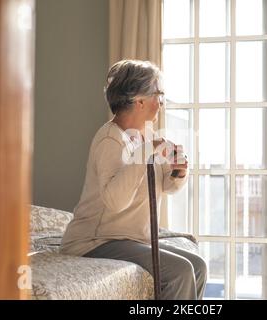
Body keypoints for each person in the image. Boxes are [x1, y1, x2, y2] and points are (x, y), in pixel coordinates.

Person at [61, 59, 207, 300]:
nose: (161, 102)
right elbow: (115, 201)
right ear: (140, 101)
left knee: (197, 265)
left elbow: (163, 187)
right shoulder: (110, 139)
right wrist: (145, 152)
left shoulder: (144, 136)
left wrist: (177, 172)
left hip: (130, 237)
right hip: (96, 240)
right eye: (158, 95)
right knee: (180, 271)